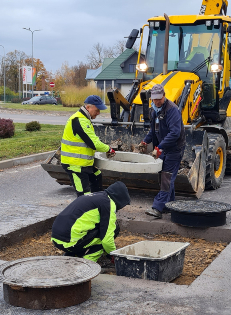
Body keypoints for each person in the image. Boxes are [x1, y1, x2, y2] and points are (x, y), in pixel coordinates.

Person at [51, 181, 131, 263]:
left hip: (56, 238)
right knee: (109, 233)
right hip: (70, 241)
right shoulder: (108, 204)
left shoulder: (97, 196)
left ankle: (73, 254)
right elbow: (107, 239)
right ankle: (88, 263)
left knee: (97, 230)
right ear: (120, 199)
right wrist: (113, 254)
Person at [140, 85, 184, 218]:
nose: (156, 101)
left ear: (164, 96)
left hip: (174, 149)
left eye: (159, 99)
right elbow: (153, 130)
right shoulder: (155, 111)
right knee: (164, 177)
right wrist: (145, 141)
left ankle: (158, 208)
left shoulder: (172, 110)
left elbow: (175, 133)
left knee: (166, 177)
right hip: (164, 148)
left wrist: (160, 147)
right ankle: (170, 205)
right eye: (154, 99)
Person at [60, 95, 116, 196]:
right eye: (97, 110)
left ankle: (98, 203)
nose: (99, 113)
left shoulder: (84, 119)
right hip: (75, 165)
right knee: (84, 195)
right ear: (88, 107)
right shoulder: (79, 120)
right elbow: (93, 143)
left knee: (97, 176)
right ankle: (87, 210)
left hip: (83, 164)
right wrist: (109, 149)